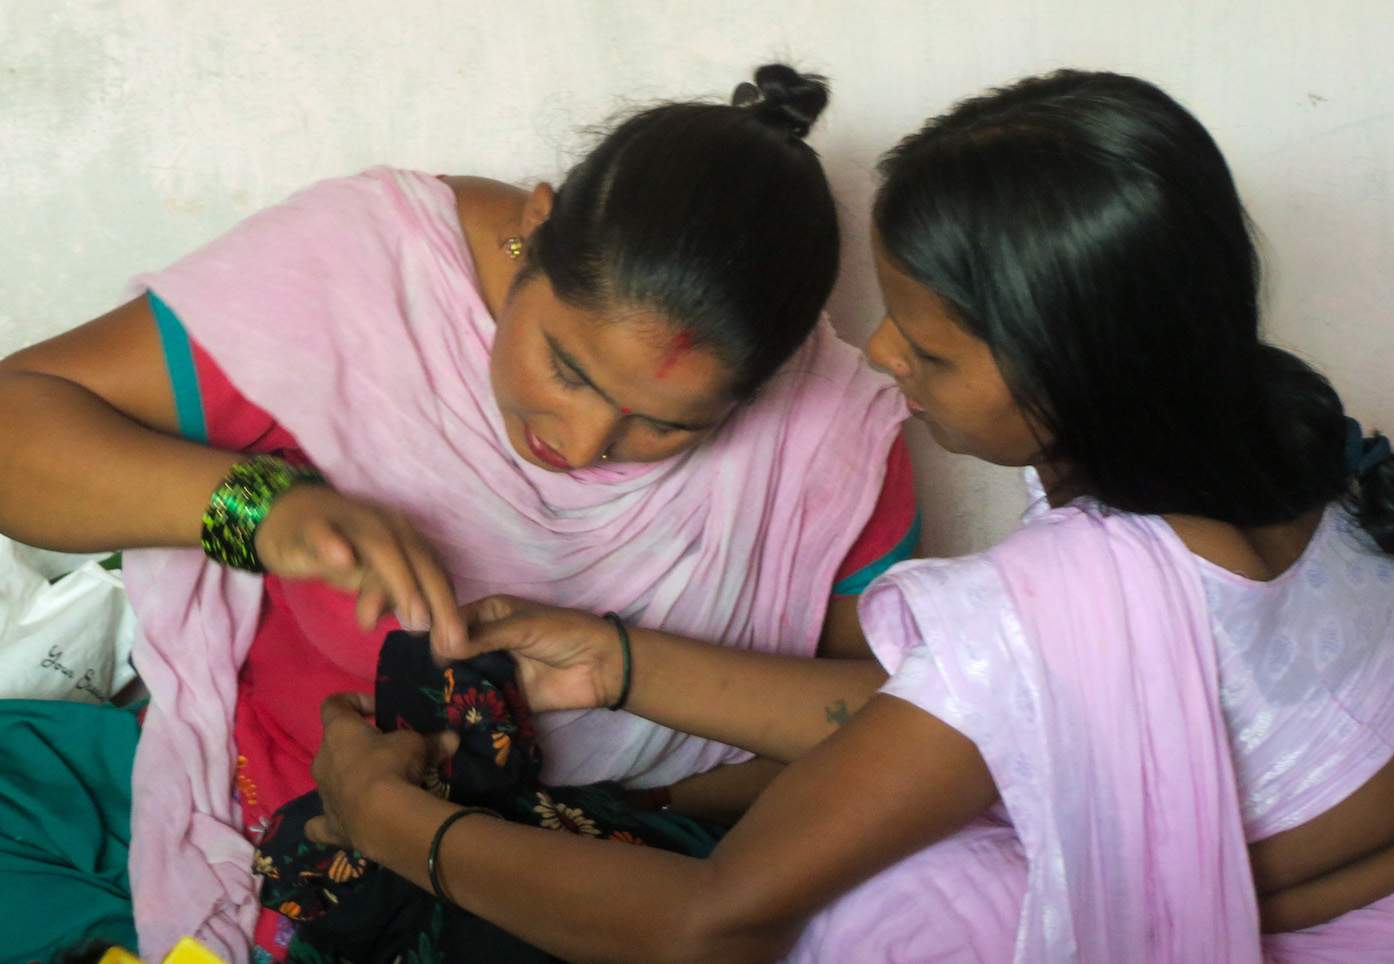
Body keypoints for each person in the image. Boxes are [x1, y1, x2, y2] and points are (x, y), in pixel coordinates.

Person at [306, 69, 1394, 961]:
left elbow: (712, 923)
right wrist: (617, 662)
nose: (882, 354)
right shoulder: (1264, 435)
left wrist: (391, 823)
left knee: (881, 911)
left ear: (1067, 369)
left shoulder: (1065, 599)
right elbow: (941, 712)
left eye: (929, 349)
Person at [0, 65, 915, 961]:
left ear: (764, 388)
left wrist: (623, 801)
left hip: (575, 875)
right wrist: (260, 509)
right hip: (256, 792)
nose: (584, 441)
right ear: (536, 227)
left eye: (666, 426)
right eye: (567, 369)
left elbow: (894, 739)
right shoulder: (372, 274)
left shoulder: (826, 444)